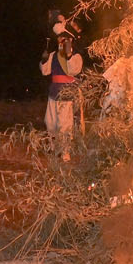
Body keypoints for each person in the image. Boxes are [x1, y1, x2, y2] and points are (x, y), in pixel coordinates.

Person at [41, 16, 84, 158]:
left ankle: (65, 153)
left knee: (64, 125)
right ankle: (53, 149)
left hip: (67, 93)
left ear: (70, 40)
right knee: (50, 123)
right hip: (54, 93)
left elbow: (74, 70)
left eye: (64, 38)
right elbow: (45, 71)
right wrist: (44, 60)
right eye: (59, 38)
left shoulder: (76, 56)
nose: (61, 40)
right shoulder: (53, 55)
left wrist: (69, 55)